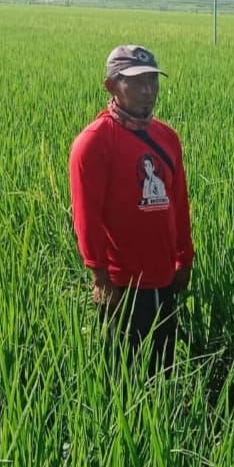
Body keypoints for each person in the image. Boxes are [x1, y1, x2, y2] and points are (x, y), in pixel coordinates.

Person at [69, 45, 193, 371]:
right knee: (125, 372)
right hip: (122, 282)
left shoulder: (167, 137)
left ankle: (162, 419)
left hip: (164, 274)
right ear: (111, 85)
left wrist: (184, 258)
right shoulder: (94, 142)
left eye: (153, 80)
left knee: (162, 365)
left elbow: (178, 202)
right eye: (136, 82)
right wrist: (100, 277)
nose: (148, 90)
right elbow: (87, 216)